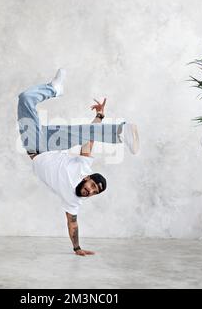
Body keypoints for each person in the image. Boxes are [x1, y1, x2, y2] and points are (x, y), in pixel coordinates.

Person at [17, 69, 139, 256]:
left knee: (25, 98)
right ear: (87, 178)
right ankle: (55, 89)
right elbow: (89, 138)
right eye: (91, 185)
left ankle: (54, 89)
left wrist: (77, 248)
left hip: (34, 146)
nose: (89, 191)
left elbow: (72, 222)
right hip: (51, 143)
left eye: (93, 192)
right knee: (85, 134)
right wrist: (100, 116)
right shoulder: (83, 167)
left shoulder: (73, 201)